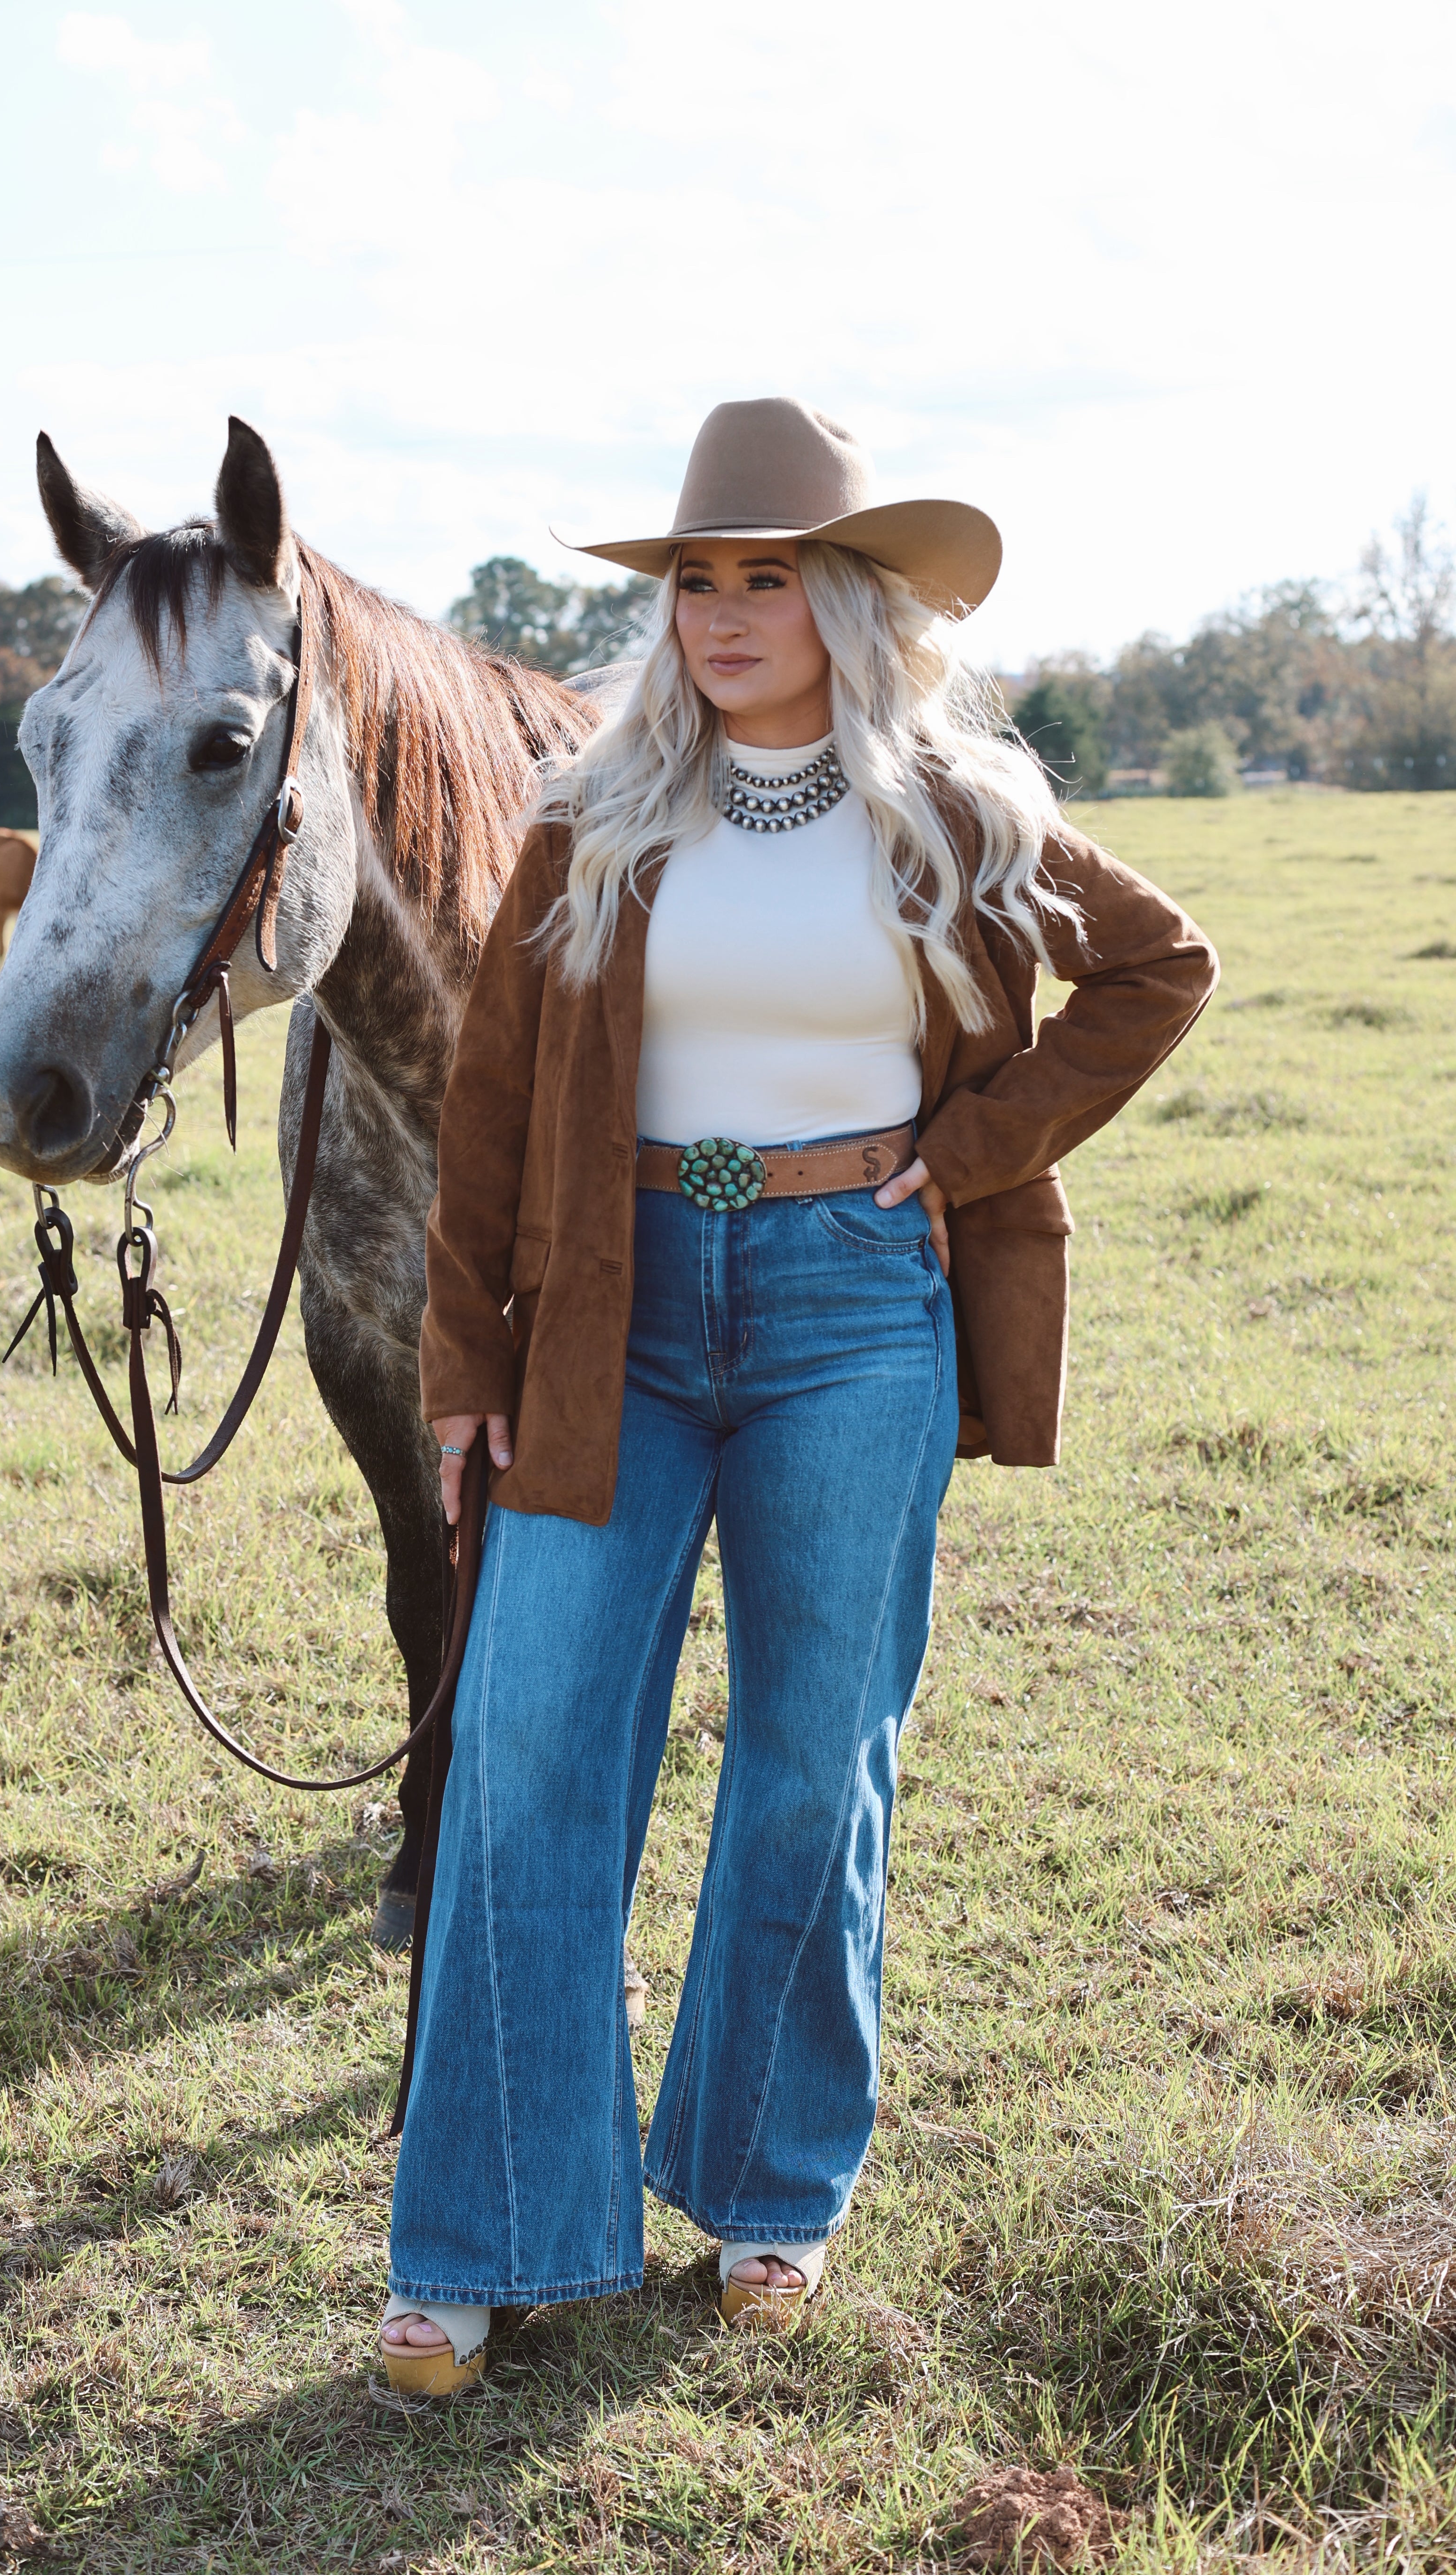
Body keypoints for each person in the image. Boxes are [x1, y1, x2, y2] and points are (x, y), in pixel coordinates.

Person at [378, 398, 1218, 2392]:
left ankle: (770, 2191)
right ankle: (482, 2233)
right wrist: (467, 1355)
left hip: (857, 1303)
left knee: (816, 1756)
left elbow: (1160, 967)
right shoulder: (596, 815)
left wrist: (987, 1146)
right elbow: (489, 1104)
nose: (723, 615)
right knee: (529, 1749)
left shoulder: (955, 807)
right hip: (614, 1307)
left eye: (766, 577)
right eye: (696, 580)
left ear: (850, 600)